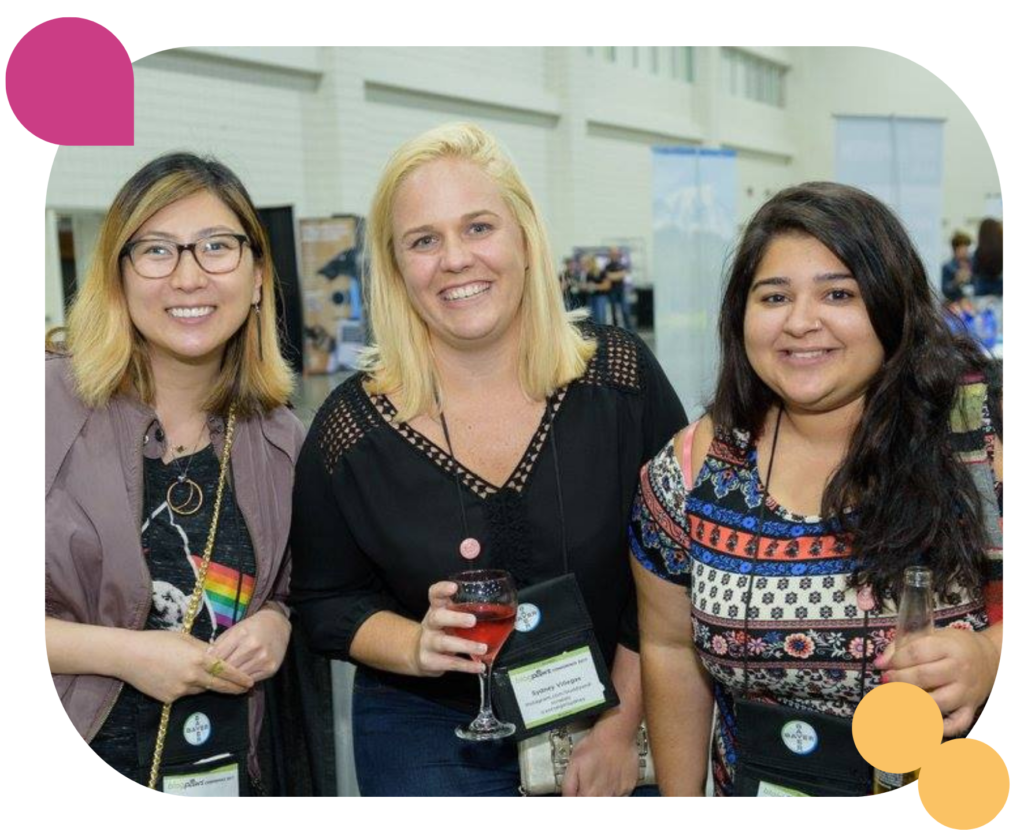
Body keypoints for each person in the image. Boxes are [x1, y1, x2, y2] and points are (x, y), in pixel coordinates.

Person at [289, 122, 686, 798]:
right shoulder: (350, 431)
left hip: (616, 708)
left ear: (525, 238)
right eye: (423, 240)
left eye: (478, 227)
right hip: (428, 726)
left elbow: (676, 561)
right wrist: (414, 643)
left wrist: (622, 725)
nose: (453, 259)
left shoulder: (619, 378)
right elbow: (326, 601)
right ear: (394, 266)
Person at [631, 182, 1004, 798]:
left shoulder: (973, 434)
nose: (801, 322)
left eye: (838, 293)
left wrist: (990, 656)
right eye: (774, 296)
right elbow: (669, 649)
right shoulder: (694, 472)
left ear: (891, 305)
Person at [44, 153, 305, 795]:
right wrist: (127, 655)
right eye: (157, 251)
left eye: (217, 246)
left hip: (225, 768)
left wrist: (276, 622)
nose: (188, 277)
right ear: (119, 275)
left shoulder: (283, 440)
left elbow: (295, 587)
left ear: (258, 277)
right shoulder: (51, 406)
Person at [971, 218, 1004, 297]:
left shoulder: (979, 252)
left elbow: (975, 270)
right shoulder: (1002, 250)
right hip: (1000, 288)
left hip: (981, 288)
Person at [941, 230, 973, 302]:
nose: (966, 251)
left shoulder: (973, 264)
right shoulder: (947, 267)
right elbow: (945, 290)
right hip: (955, 304)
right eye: (963, 248)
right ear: (955, 249)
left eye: (967, 248)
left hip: (972, 303)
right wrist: (956, 282)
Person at [604, 247, 631, 329]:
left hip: (621, 291)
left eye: (616, 253)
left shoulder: (622, 264)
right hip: (612, 291)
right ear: (610, 254)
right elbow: (608, 276)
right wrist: (618, 275)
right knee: (614, 312)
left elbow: (623, 275)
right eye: (613, 253)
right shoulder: (607, 266)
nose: (615, 255)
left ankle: (629, 330)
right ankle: (616, 330)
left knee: (625, 311)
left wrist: (614, 276)